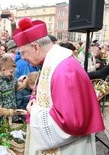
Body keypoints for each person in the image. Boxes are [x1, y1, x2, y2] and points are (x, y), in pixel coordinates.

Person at [12, 17, 105, 155]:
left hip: (68, 149)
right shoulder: (53, 62)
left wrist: (35, 112)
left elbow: (71, 122)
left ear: (36, 47)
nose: (22, 57)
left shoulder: (63, 69)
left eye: (23, 52)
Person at [0, 55, 18, 125]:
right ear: (3, 69)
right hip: (1, 119)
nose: (12, 74)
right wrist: (4, 114)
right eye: (11, 72)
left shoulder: (12, 80)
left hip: (12, 115)